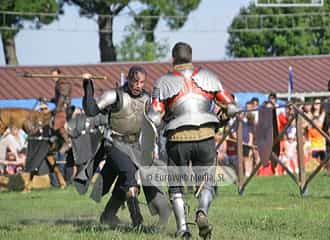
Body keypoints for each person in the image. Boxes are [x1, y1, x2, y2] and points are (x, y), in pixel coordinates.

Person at [146, 42, 240, 239]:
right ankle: (202, 211)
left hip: (177, 138)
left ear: (173, 58)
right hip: (205, 136)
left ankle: (182, 228)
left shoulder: (163, 82)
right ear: (191, 57)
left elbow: (155, 114)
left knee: (175, 185)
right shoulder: (210, 77)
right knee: (207, 181)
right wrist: (224, 115)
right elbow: (230, 106)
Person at [81, 65, 171, 229]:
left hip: (135, 146)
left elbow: (157, 120)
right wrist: (88, 86)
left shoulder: (148, 99)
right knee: (129, 174)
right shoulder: (114, 95)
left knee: (128, 179)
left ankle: (108, 215)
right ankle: (137, 222)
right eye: (135, 81)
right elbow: (91, 110)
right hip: (114, 143)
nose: (138, 85)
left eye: (142, 82)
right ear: (128, 79)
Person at [51, 68, 72, 154]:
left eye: (55, 76)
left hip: (63, 108)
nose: (53, 78)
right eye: (52, 76)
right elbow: (58, 98)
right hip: (61, 106)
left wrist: (57, 109)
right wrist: (50, 100)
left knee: (59, 124)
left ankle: (67, 141)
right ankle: (58, 140)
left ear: (59, 74)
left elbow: (62, 97)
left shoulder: (62, 83)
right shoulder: (58, 83)